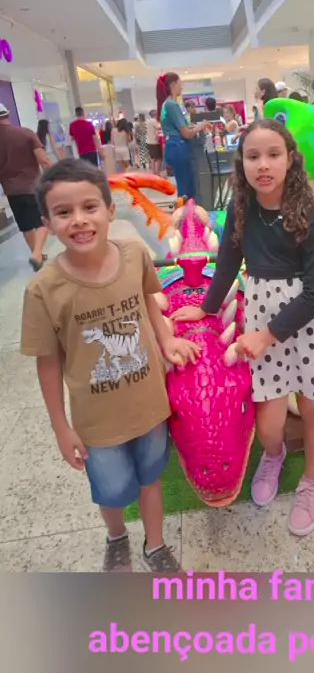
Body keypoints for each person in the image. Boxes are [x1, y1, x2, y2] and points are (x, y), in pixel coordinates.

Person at [171, 118, 314, 536]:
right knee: (269, 423)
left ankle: (313, 480)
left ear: (290, 160)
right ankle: (274, 455)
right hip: (261, 320)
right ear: (242, 163)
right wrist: (206, 308)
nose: (263, 165)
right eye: (253, 156)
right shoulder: (241, 209)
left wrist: (268, 334)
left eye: (273, 154)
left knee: (312, 407)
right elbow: (227, 264)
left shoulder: (309, 213)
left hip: (308, 325)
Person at [20, 158, 201, 572]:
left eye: (90, 207)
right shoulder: (43, 290)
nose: (79, 220)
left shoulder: (135, 255)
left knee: (151, 478)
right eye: (63, 212)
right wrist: (61, 427)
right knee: (112, 490)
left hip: (150, 406)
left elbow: (148, 303)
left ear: (110, 210)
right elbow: (48, 364)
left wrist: (167, 339)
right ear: (47, 223)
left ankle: (155, 545)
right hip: (98, 423)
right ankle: (117, 536)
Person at [0, 104, 51, 270]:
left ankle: (37, 255)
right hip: (32, 187)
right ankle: (37, 254)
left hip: (11, 191)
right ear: (8, 115)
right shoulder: (25, 133)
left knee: (25, 225)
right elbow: (44, 160)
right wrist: (53, 179)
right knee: (43, 220)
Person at [157, 72, 208, 200]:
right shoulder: (172, 105)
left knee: (183, 186)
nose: (182, 87)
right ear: (173, 84)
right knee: (187, 190)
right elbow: (186, 134)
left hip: (173, 147)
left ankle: (185, 211)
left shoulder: (166, 104)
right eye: (180, 83)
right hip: (179, 148)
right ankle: (185, 212)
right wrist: (200, 126)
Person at [146, 110, 163, 174]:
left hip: (148, 142)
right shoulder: (154, 121)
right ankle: (157, 173)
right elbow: (160, 127)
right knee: (159, 158)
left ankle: (153, 172)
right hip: (155, 142)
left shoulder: (147, 121)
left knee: (152, 158)